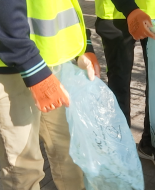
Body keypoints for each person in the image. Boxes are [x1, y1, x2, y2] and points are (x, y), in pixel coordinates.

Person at [0, 0, 100, 189]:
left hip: (52, 61)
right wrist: (32, 67)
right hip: (10, 68)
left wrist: (84, 45)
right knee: (22, 172)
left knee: (70, 152)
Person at [94, 0, 155, 171]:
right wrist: (129, 8)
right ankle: (120, 146)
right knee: (119, 81)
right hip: (117, 12)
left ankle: (151, 143)